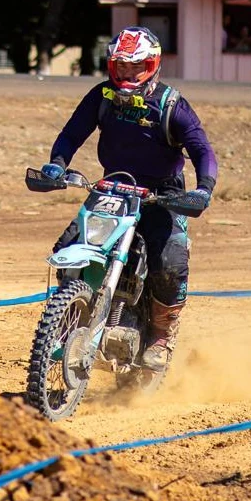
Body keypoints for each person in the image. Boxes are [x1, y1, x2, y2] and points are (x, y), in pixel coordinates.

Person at [40, 26, 219, 371]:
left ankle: (162, 335)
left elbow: (201, 149)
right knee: (68, 245)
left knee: (169, 261)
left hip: (163, 194)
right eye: (121, 65)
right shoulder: (102, 96)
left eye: (136, 66)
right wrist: (57, 165)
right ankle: (70, 317)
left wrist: (203, 188)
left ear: (152, 65)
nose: (127, 73)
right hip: (113, 187)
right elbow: (71, 133)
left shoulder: (171, 104)